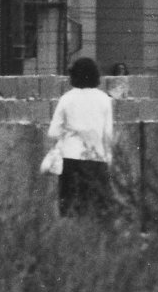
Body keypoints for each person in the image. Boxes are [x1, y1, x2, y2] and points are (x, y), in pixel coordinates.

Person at [46, 55, 114, 217]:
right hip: (97, 160)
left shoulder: (66, 99)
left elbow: (53, 132)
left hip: (70, 159)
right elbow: (108, 135)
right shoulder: (104, 100)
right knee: (99, 212)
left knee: (71, 209)